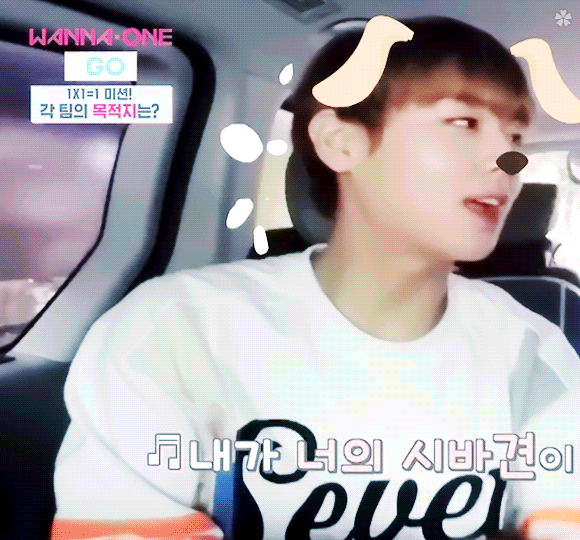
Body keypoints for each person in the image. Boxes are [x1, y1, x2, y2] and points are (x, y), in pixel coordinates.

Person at [51, 16, 580, 540]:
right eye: (464, 123)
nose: (509, 160)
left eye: (515, 135)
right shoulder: (173, 330)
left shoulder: (535, 352)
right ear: (340, 143)